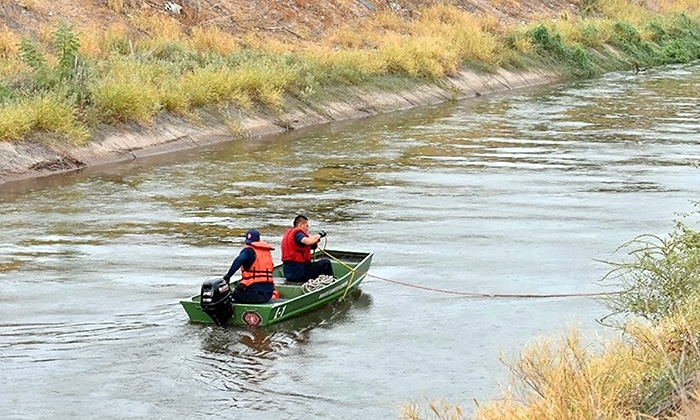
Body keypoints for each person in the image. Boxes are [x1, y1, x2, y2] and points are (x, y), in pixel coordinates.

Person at [223, 229, 275, 304]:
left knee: (230, 296)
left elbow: (239, 260)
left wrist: (228, 276)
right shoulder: (267, 252)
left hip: (253, 294)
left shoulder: (248, 251)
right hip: (268, 294)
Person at [281, 215, 334, 283]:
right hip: (300, 273)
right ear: (301, 225)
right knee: (326, 263)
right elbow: (309, 241)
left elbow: (306, 245)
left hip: (289, 274)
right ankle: (330, 282)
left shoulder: (290, 235)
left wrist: (314, 244)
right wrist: (320, 235)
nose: (307, 229)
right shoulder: (298, 234)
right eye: (306, 226)